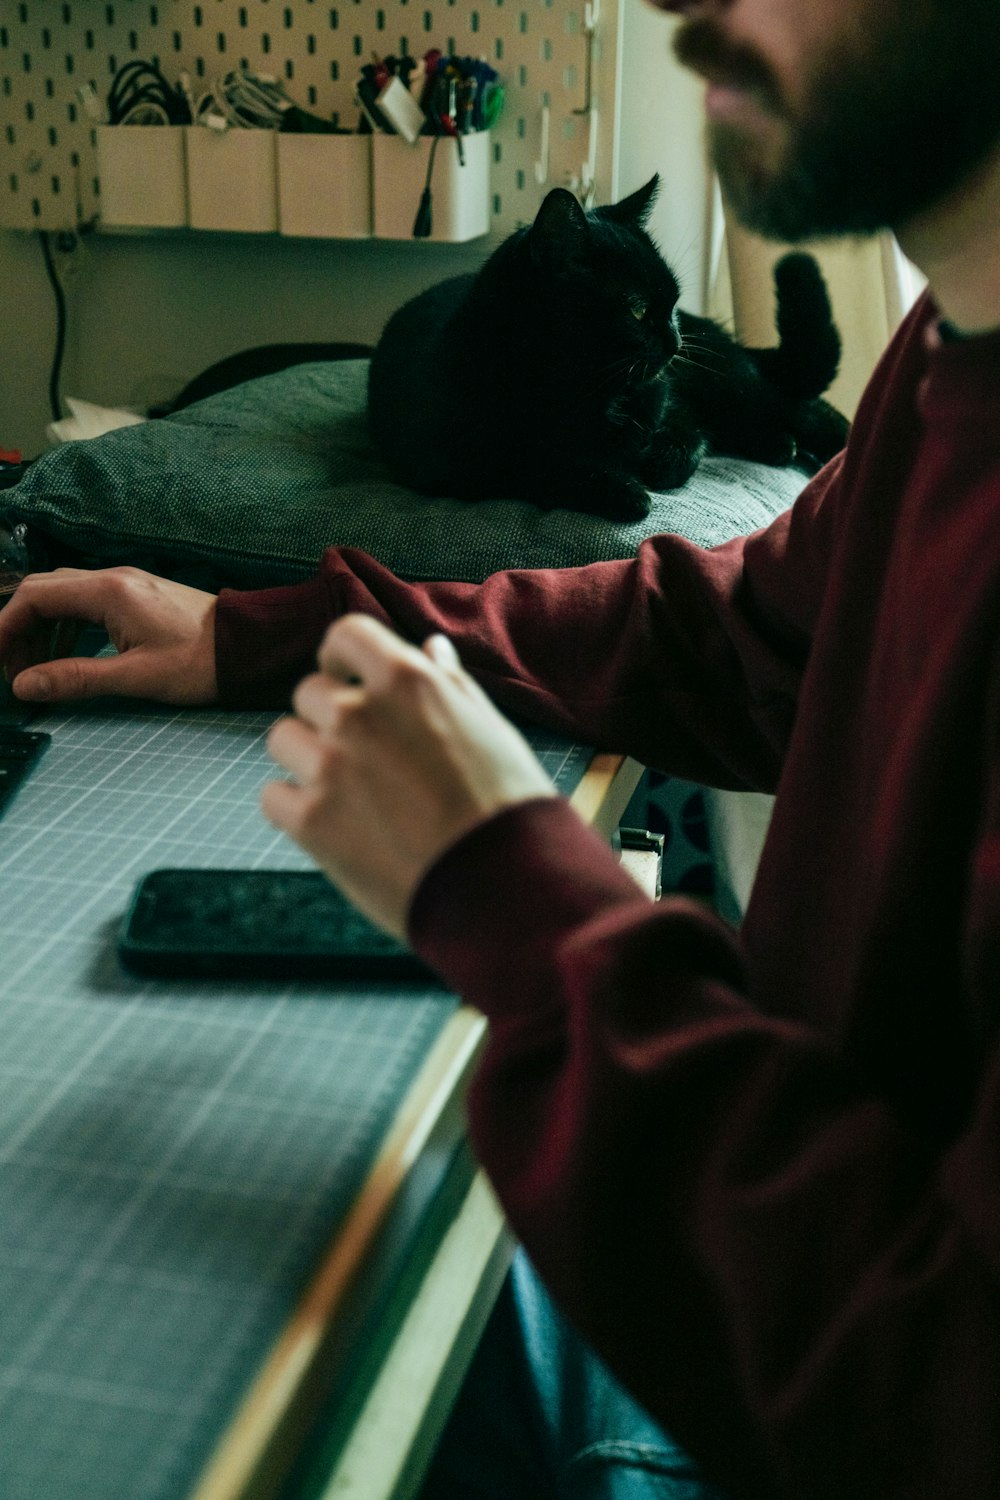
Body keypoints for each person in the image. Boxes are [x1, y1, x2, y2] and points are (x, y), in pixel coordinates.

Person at [3, 0, 1000, 1492]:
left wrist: (513, 890)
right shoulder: (953, 349)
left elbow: (938, 1405)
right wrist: (267, 636)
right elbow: (738, 632)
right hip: (769, 1264)